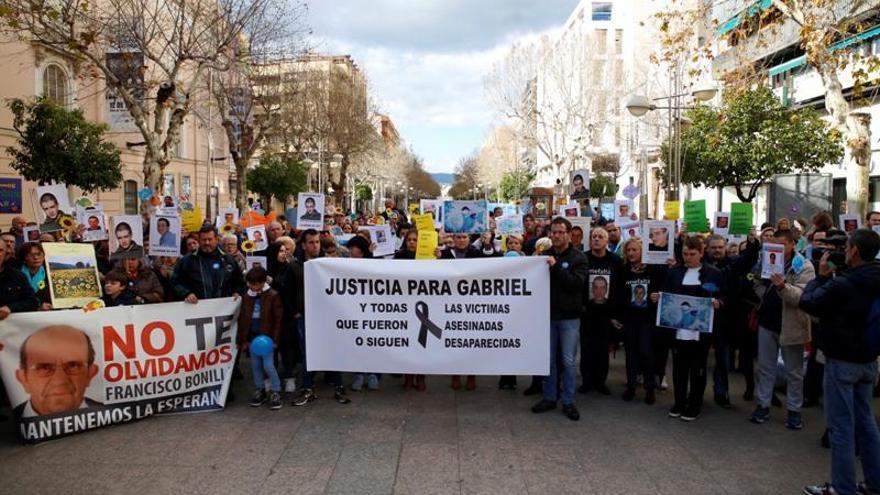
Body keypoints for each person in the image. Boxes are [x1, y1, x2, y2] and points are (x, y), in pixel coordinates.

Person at [800, 229, 880, 495]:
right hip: (869, 360)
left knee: (841, 427)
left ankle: (841, 487)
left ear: (855, 251)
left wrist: (821, 277)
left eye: (846, 246)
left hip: (842, 360)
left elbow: (809, 302)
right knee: (866, 422)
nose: (842, 251)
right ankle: (873, 482)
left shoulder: (844, 283)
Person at [748, 229, 815, 429]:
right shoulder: (766, 260)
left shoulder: (804, 265)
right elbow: (755, 281)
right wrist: (764, 295)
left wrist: (782, 287)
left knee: (793, 371)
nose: (777, 249)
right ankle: (763, 404)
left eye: (782, 245)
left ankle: (794, 409)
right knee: (765, 367)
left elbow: (802, 296)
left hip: (792, 324)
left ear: (792, 244)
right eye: (774, 245)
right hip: (767, 322)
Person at [654, 235, 725, 422]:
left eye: (692, 254)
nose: (688, 258)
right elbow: (667, 294)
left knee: (698, 368)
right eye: (685, 254)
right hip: (678, 330)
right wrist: (658, 297)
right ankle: (678, 402)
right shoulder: (675, 273)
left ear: (701, 253)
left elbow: (724, 297)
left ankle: (694, 404)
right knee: (679, 368)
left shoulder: (714, 273)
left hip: (700, 331)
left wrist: (719, 303)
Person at [531, 217, 588, 421]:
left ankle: (568, 401)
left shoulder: (578, 258)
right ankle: (549, 397)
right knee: (549, 360)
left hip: (569, 318)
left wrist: (556, 267)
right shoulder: (543, 256)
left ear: (569, 234)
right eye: (553, 232)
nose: (556, 235)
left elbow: (575, 284)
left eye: (560, 232)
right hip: (548, 316)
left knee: (568, 360)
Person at [291, 229, 350, 406]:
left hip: (328, 315)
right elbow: (288, 290)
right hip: (306, 316)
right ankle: (307, 388)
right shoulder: (295, 265)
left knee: (333, 349)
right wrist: (295, 310)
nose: (315, 245)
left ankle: (339, 386)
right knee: (309, 352)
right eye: (311, 242)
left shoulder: (329, 263)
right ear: (303, 245)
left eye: (317, 242)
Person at [613, 237, 666, 404]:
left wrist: (657, 295)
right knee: (631, 354)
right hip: (629, 319)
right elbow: (618, 294)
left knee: (646, 352)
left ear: (642, 251)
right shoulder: (623, 271)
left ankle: (650, 388)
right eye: (628, 250)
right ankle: (631, 386)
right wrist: (616, 316)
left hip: (647, 319)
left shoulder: (653, 270)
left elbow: (662, 289)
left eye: (634, 250)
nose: (630, 253)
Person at [12, 325, 100, 419]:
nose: (59, 380)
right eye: (44, 368)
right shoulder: (7, 426)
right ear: (23, 378)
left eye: (73, 365)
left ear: (90, 373)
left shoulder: (108, 410)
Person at [579, 227, 621, 395]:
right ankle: (586, 381)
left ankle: (600, 382)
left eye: (600, 237)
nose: (596, 239)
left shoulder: (615, 261)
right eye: (594, 236)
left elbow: (618, 287)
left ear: (606, 241)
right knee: (587, 349)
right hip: (587, 312)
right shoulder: (583, 258)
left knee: (603, 350)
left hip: (606, 314)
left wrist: (615, 314)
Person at [238, 266, 284, 411]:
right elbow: (243, 319)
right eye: (250, 284)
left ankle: (276, 390)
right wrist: (242, 340)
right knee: (255, 366)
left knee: (268, 365)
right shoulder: (247, 297)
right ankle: (260, 389)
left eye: (255, 284)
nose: (252, 286)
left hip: (267, 339)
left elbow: (278, 320)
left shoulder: (272, 295)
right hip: (253, 337)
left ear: (263, 282)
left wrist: (275, 340)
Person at [171, 226, 244, 303]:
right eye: (204, 240)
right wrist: (187, 293)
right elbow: (175, 281)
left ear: (216, 240)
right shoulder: (187, 260)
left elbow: (239, 282)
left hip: (223, 308)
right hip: (196, 308)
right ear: (199, 240)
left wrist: (236, 292)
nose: (207, 242)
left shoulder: (228, 260)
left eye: (210, 239)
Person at [0, 239, 39, 320]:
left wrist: (10, 307)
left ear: (5, 254)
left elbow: (32, 301)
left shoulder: (18, 276)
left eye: (0, 250)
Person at [18, 242, 51, 310]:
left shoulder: (49, 273)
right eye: (31, 255)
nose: (36, 257)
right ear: (24, 257)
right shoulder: (16, 273)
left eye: (39, 254)